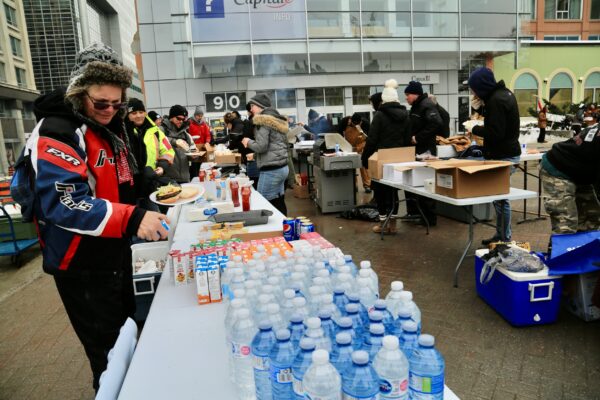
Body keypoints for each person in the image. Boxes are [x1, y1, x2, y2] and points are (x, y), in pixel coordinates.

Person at [26, 43, 168, 391]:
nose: (110, 110)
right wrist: (133, 219)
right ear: (79, 92)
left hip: (114, 251)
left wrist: (145, 187)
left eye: (117, 103)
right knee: (109, 358)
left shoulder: (111, 125)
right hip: (81, 263)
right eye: (101, 103)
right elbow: (65, 202)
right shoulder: (57, 130)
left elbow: (116, 181)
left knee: (130, 335)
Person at [468, 67, 521, 244]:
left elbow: (496, 132)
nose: (473, 93)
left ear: (481, 86)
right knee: (499, 199)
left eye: (474, 89)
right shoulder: (503, 94)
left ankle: (504, 238)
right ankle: (501, 235)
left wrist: (474, 128)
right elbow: (498, 120)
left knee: (500, 199)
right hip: (506, 153)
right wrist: (480, 110)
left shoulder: (496, 100)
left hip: (503, 156)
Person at [362, 81, 411, 234]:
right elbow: (407, 139)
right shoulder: (406, 115)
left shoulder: (380, 115)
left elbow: (372, 140)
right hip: (398, 159)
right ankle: (393, 225)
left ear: (383, 99)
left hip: (381, 159)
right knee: (393, 192)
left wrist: (365, 158)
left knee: (380, 192)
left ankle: (383, 224)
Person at [540, 120, 600, 235]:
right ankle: (562, 246)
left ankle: (586, 245)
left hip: (581, 172)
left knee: (592, 218)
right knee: (565, 225)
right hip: (558, 168)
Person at [241, 93, 289, 215]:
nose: (251, 109)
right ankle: (285, 223)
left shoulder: (263, 121)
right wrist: (255, 156)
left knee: (262, 202)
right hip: (282, 168)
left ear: (259, 106)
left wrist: (248, 141)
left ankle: (273, 226)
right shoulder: (276, 120)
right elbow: (274, 146)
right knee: (278, 200)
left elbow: (261, 146)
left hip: (271, 171)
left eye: (252, 106)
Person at [405, 80, 443, 227]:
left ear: (416, 94)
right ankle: (420, 216)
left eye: (408, 94)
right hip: (418, 152)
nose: (406, 97)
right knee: (419, 184)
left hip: (426, 152)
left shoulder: (426, 105)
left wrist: (418, 137)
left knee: (426, 184)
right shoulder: (417, 106)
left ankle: (430, 219)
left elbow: (436, 123)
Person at [125, 98, 175, 210]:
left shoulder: (155, 131)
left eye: (141, 112)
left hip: (150, 185)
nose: (138, 115)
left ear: (145, 113)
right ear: (128, 115)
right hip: (129, 189)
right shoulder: (122, 132)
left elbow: (168, 151)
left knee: (155, 216)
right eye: (134, 113)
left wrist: (162, 167)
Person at [162, 105, 196, 183]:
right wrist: (175, 142)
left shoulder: (185, 134)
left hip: (185, 178)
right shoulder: (162, 130)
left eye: (183, 119)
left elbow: (191, 151)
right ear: (171, 117)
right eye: (178, 118)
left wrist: (193, 155)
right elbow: (159, 140)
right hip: (168, 179)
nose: (181, 121)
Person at [346, 113, 371, 193]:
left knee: (363, 166)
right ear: (351, 121)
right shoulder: (346, 122)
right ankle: (354, 185)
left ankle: (367, 185)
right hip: (350, 146)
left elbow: (369, 137)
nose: (356, 125)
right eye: (354, 124)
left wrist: (362, 147)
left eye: (358, 124)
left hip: (361, 146)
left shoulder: (366, 123)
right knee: (352, 167)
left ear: (361, 122)